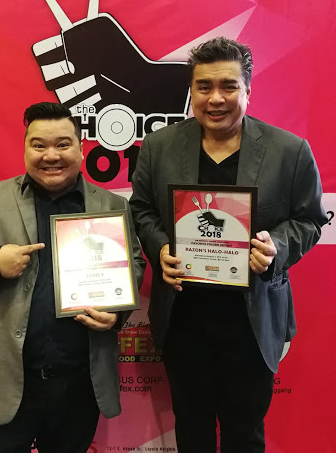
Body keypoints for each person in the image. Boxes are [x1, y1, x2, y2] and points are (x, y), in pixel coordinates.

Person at [129, 37, 327, 453]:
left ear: (248, 90)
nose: (215, 98)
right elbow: (142, 210)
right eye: (203, 87)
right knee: (192, 428)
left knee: (244, 433)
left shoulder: (290, 151)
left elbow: (310, 220)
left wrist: (277, 247)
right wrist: (160, 247)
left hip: (252, 319)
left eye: (228, 86)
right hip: (183, 318)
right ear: (192, 91)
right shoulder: (159, 147)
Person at [0, 102, 145, 453]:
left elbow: (135, 262)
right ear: (25, 149)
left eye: (63, 144)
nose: (51, 155)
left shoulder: (112, 204)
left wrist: (116, 313)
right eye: (39, 145)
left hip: (79, 384)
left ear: (81, 149)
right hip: (9, 381)